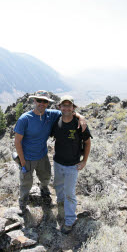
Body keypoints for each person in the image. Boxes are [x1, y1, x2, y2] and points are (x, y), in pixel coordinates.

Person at [14, 90, 87, 214]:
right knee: (26, 183)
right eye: (39, 100)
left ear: (48, 103)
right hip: (27, 158)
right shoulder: (25, 119)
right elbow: (17, 142)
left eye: (45, 101)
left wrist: (81, 117)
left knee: (46, 177)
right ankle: (22, 203)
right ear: (34, 101)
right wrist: (22, 162)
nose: (42, 103)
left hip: (42, 156)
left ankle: (44, 189)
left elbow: (67, 111)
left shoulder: (50, 115)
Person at [50, 95, 92, 234]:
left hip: (72, 165)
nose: (66, 107)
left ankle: (69, 220)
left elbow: (87, 142)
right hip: (57, 162)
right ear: (59, 107)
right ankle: (61, 203)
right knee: (58, 185)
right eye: (64, 105)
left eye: (69, 105)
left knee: (70, 193)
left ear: (73, 108)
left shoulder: (80, 124)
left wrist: (84, 161)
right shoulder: (56, 121)